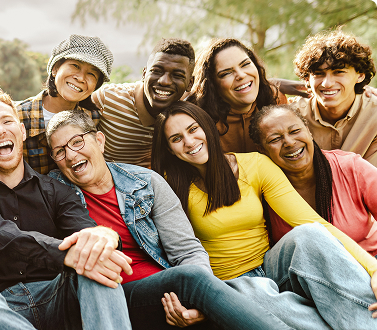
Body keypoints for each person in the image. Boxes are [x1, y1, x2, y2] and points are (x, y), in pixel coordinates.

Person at [44, 110, 288, 329]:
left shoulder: (145, 182)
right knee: (192, 280)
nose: (70, 154)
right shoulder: (54, 191)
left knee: (199, 289)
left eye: (77, 142)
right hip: (111, 297)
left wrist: (195, 304)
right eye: (59, 151)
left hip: (168, 292)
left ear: (99, 140)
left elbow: (187, 250)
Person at [151, 100, 377, 328]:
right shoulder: (168, 188)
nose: (190, 142)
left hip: (272, 267)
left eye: (193, 129)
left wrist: (374, 270)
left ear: (206, 127)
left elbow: (313, 222)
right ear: (169, 149)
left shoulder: (255, 165)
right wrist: (203, 299)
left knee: (309, 233)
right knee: (257, 295)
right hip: (229, 284)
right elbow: (177, 253)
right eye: (176, 139)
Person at [0, 89, 132, 330]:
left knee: (93, 263)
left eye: (6, 121)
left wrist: (104, 236)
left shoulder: (58, 191)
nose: (0, 131)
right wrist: (66, 254)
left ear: (22, 131)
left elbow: (87, 233)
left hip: (57, 296)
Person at [248, 104, 377, 255]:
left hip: (369, 263)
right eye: (275, 139)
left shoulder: (351, 167)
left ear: (309, 131)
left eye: (295, 131)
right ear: (262, 149)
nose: (289, 142)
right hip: (305, 274)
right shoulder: (259, 191)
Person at [16, 34, 112, 174]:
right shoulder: (18, 116)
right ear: (55, 69)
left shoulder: (93, 118)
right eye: (75, 66)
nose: (80, 78)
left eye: (91, 74)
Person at [91, 38, 194, 168]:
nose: (164, 81)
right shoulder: (107, 99)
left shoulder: (189, 114)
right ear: (144, 74)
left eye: (177, 75)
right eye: (156, 71)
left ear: (190, 83)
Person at [290, 30, 377, 167]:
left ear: (360, 75)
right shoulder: (292, 115)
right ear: (307, 79)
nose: (327, 83)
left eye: (339, 72)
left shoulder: (374, 114)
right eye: (319, 74)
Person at [188, 38, 287, 153]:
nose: (241, 75)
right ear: (212, 84)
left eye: (245, 64)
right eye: (226, 73)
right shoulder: (197, 120)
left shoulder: (275, 98)